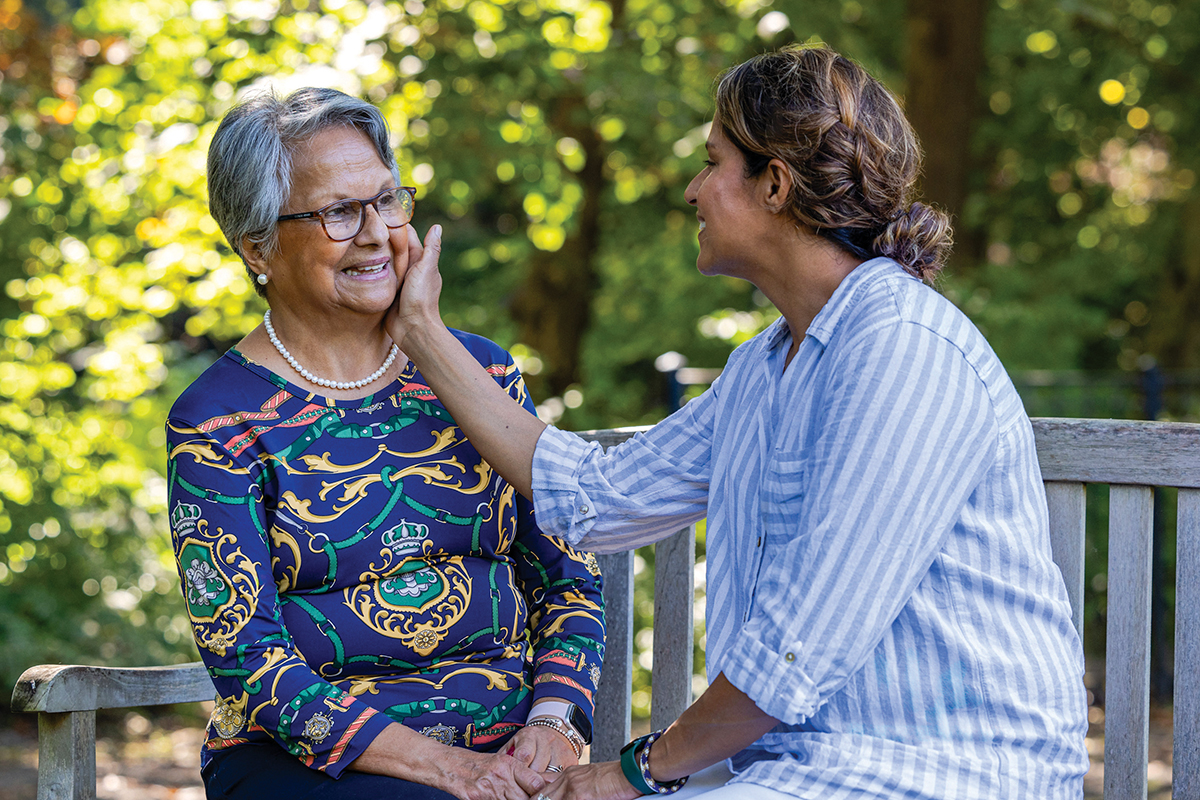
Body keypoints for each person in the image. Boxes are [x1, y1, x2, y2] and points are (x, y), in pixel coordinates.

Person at [384, 46, 1090, 799]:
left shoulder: (902, 350)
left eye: (713, 163)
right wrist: (421, 329)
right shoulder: (764, 367)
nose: (692, 190)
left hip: (944, 771)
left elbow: (798, 650)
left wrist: (633, 771)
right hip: (799, 773)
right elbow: (595, 496)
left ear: (775, 184)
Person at [166, 87, 605, 800]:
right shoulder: (217, 420)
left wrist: (554, 722)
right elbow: (249, 664)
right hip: (315, 765)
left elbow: (570, 577)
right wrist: (453, 771)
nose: (376, 233)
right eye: (340, 211)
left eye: (387, 201)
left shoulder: (479, 375)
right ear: (258, 246)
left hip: (511, 752)